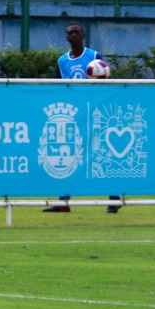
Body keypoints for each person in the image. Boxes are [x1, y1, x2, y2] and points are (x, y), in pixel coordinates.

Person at [48, 23, 120, 214]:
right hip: (74, 115)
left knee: (100, 155)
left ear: (83, 35)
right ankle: (63, 202)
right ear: (66, 38)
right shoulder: (62, 61)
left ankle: (114, 200)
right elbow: (60, 88)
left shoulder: (94, 57)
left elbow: (104, 84)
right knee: (71, 156)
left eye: (76, 32)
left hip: (94, 114)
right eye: (69, 33)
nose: (72, 35)